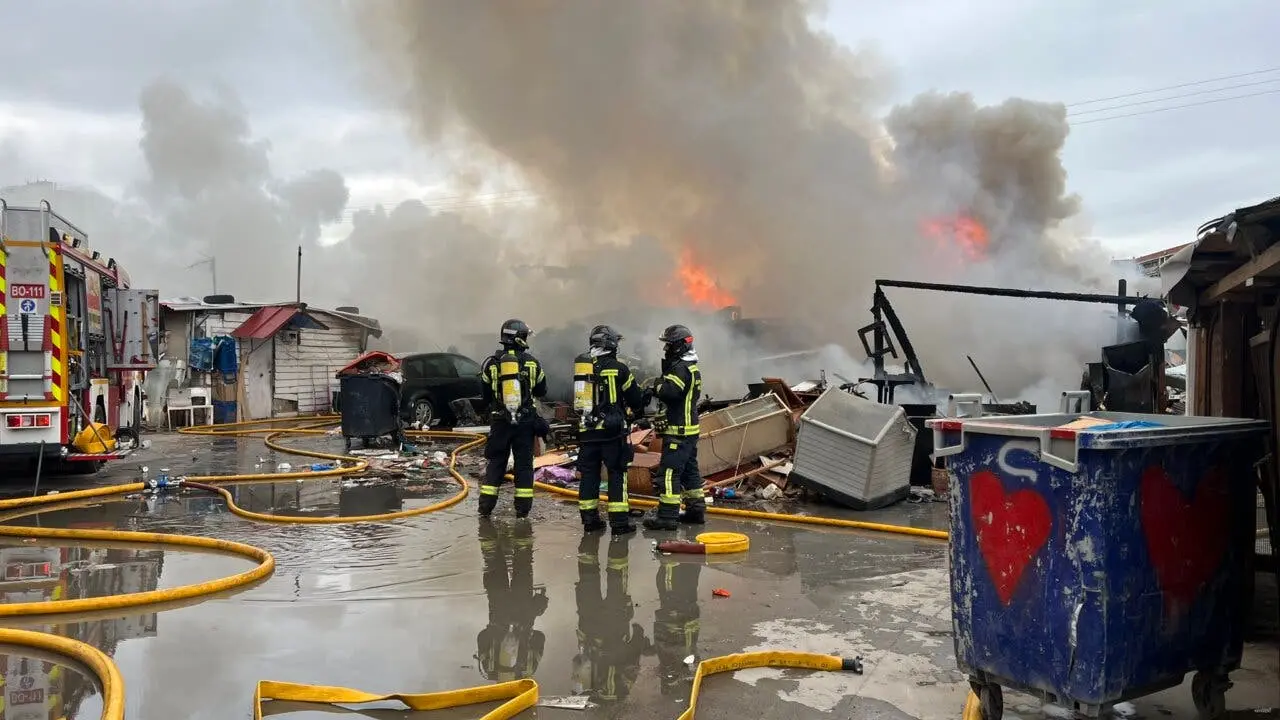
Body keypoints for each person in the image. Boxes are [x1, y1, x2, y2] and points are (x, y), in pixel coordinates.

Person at [576, 325, 648, 535]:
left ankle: (590, 521)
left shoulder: (583, 368)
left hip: (588, 433)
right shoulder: (619, 368)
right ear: (611, 344)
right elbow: (635, 398)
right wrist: (637, 410)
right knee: (617, 474)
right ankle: (619, 523)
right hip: (612, 433)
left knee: (589, 475)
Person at [479, 318, 548, 518]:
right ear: (520, 338)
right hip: (525, 422)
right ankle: (523, 511)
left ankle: (485, 509)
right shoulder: (532, 363)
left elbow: (486, 396)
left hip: (500, 421)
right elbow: (542, 390)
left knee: (496, 463)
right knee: (524, 465)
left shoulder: (492, 364)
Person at [571, 535, 649, 704]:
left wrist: (638, 634)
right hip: (592, 626)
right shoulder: (588, 689)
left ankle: (608, 536)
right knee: (589, 578)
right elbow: (578, 664)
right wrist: (637, 635)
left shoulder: (625, 686)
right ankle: (597, 538)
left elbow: (633, 658)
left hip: (610, 626)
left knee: (613, 578)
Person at [643, 324, 704, 531]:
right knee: (690, 472)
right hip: (690, 430)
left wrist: (655, 386)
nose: (665, 350)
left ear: (678, 346)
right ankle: (696, 511)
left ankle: (667, 516)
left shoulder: (679, 369)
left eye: (668, 345)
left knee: (668, 473)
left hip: (678, 431)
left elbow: (670, 393)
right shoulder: (692, 367)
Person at [476, 519, 547, 681]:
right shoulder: (489, 668)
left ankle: (521, 527)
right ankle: (489, 529)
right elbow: (482, 636)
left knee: (522, 562)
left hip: (522, 610)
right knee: (494, 564)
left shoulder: (527, 669)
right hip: (500, 609)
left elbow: (540, 637)